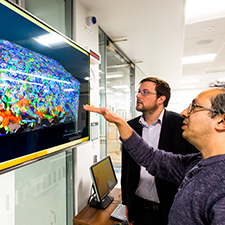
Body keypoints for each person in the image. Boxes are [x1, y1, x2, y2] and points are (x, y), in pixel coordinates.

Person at [83, 87, 225, 224]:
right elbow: (151, 158)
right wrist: (119, 122)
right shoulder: (196, 163)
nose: (184, 112)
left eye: (194, 107)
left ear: (221, 121)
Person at [121, 77, 197, 225]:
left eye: (145, 92)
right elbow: (127, 167)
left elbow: (191, 169)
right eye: (138, 92)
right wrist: (126, 202)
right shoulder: (130, 127)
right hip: (138, 207)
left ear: (161, 99)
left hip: (169, 209)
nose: (138, 96)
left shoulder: (181, 125)